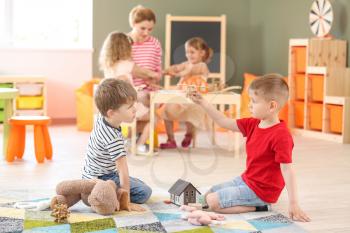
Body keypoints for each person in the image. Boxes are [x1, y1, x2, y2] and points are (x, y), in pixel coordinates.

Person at [189, 74, 311, 222]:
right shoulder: (253, 124)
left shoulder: (281, 136)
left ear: (272, 106)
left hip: (262, 191)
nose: (249, 105)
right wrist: (203, 102)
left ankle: (261, 206)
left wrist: (294, 203)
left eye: (253, 101)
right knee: (210, 192)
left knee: (213, 202)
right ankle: (205, 205)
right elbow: (223, 121)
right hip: (246, 180)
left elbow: (287, 170)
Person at [82, 79, 152, 205]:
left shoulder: (101, 115)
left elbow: (110, 91)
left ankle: (99, 190)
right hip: (103, 178)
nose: (134, 110)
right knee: (145, 192)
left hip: (89, 174)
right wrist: (126, 200)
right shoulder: (113, 138)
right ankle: (105, 194)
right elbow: (122, 169)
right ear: (112, 113)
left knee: (139, 183)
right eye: (130, 107)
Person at [99, 31, 159, 149]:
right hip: (127, 105)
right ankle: (139, 145)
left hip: (114, 106)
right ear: (125, 48)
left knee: (141, 118)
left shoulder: (109, 66)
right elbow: (145, 72)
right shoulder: (127, 64)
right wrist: (156, 75)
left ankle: (127, 141)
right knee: (154, 117)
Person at [159, 37, 213, 149]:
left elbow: (189, 71)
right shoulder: (186, 63)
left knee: (190, 116)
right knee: (165, 112)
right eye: (187, 52)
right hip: (181, 98)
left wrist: (177, 74)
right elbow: (177, 67)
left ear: (202, 53)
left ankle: (189, 134)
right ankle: (171, 139)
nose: (189, 55)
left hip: (193, 100)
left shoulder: (201, 66)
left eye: (192, 52)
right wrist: (166, 70)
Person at [128, 5, 162, 152]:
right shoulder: (125, 42)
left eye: (150, 29)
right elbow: (127, 69)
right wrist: (149, 75)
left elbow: (158, 71)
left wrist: (155, 80)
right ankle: (139, 142)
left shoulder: (154, 43)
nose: (146, 33)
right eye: (142, 28)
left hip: (149, 90)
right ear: (133, 24)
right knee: (149, 109)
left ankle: (134, 140)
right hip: (131, 89)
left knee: (161, 103)